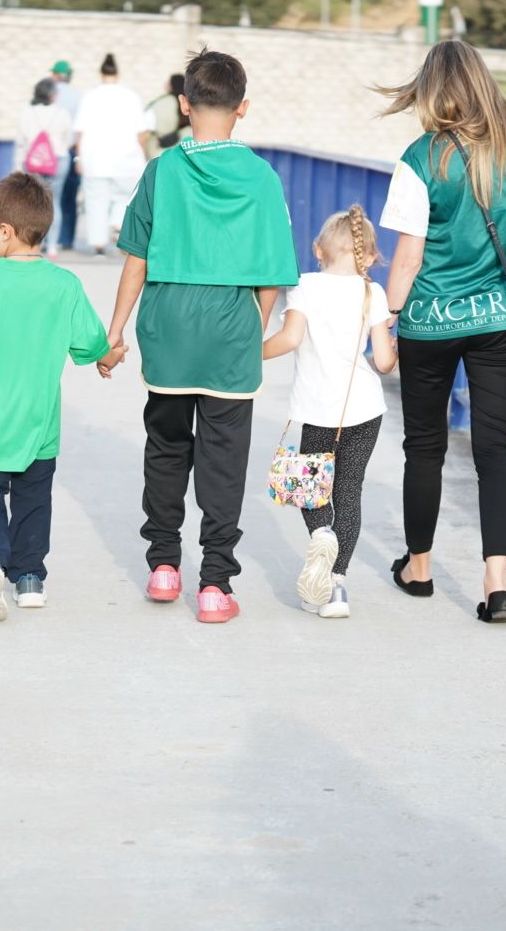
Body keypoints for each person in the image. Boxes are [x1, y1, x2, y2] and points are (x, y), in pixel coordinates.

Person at [104, 48, 299, 624]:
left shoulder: (161, 170)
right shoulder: (262, 177)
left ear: (184, 105)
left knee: (166, 447)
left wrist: (115, 332)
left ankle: (164, 567)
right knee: (223, 457)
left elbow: (135, 260)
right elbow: (272, 276)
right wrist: (251, 332)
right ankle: (215, 584)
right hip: (230, 324)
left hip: (168, 322)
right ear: (243, 108)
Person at [377, 40, 506, 625]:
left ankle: (421, 568)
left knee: (424, 446)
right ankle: (496, 584)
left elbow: (407, 256)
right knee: (495, 451)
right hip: (502, 320)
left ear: (432, 91)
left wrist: (388, 314)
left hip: (430, 321)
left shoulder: (421, 156)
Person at [0, 172, 129, 622]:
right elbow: (89, 346)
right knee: (33, 499)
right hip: (40, 423)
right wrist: (111, 355)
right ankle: (29, 579)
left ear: (5, 232)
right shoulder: (63, 284)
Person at [262, 205, 397, 619]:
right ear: (370, 256)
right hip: (364, 408)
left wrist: (248, 357)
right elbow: (385, 364)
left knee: (312, 489)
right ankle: (337, 588)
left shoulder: (304, 285)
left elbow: (289, 338)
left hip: (317, 409)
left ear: (318, 249)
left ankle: (322, 533)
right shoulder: (373, 294)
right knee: (349, 491)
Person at [73, 53, 150, 254]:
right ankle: (118, 224)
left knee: (96, 201)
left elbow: (79, 132)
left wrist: (79, 158)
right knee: (124, 197)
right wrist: (145, 154)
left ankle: (98, 244)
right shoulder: (131, 97)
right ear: (118, 73)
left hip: (95, 160)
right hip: (127, 159)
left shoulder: (89, 96)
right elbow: (142, 133)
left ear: (101, 73)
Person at [13, 79, 74, 252]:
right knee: (54, 202)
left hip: (32, 162)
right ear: (53, 95)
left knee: (34, 203)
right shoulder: (62, 112)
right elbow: (69, 139)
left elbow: (20, 140)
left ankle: (33, 243)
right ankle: (53, 245)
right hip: (58, 160)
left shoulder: (27, 112)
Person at [50, 61, 83, 250]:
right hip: (70, 149)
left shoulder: (48, 94)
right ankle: (67, 239)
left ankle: (47, 240)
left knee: (48, 197)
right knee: (69, 197)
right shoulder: (78, 96)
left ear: (55, 75)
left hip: (48, 153)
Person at [143, 73, 192, 161]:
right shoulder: (192, 103)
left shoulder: (161, 103)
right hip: (184, 154)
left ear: (171, 85)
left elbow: (145, 127)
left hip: (159, 153)